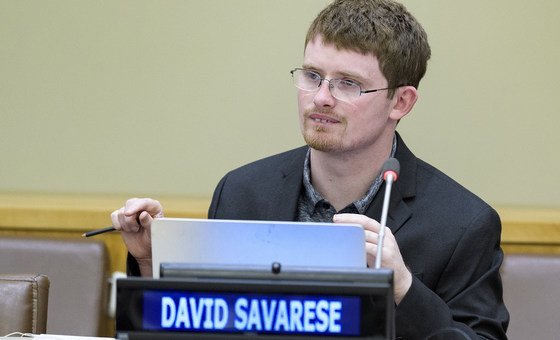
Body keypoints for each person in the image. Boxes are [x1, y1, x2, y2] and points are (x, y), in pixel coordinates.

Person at [111, 0, 509, 338]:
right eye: (313, 76)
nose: (320, 98)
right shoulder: (242, 191)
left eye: (348, 84)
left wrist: (404, 286)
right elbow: (198, 325)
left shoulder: (463, 225)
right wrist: (152, 263)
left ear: (401, 102)